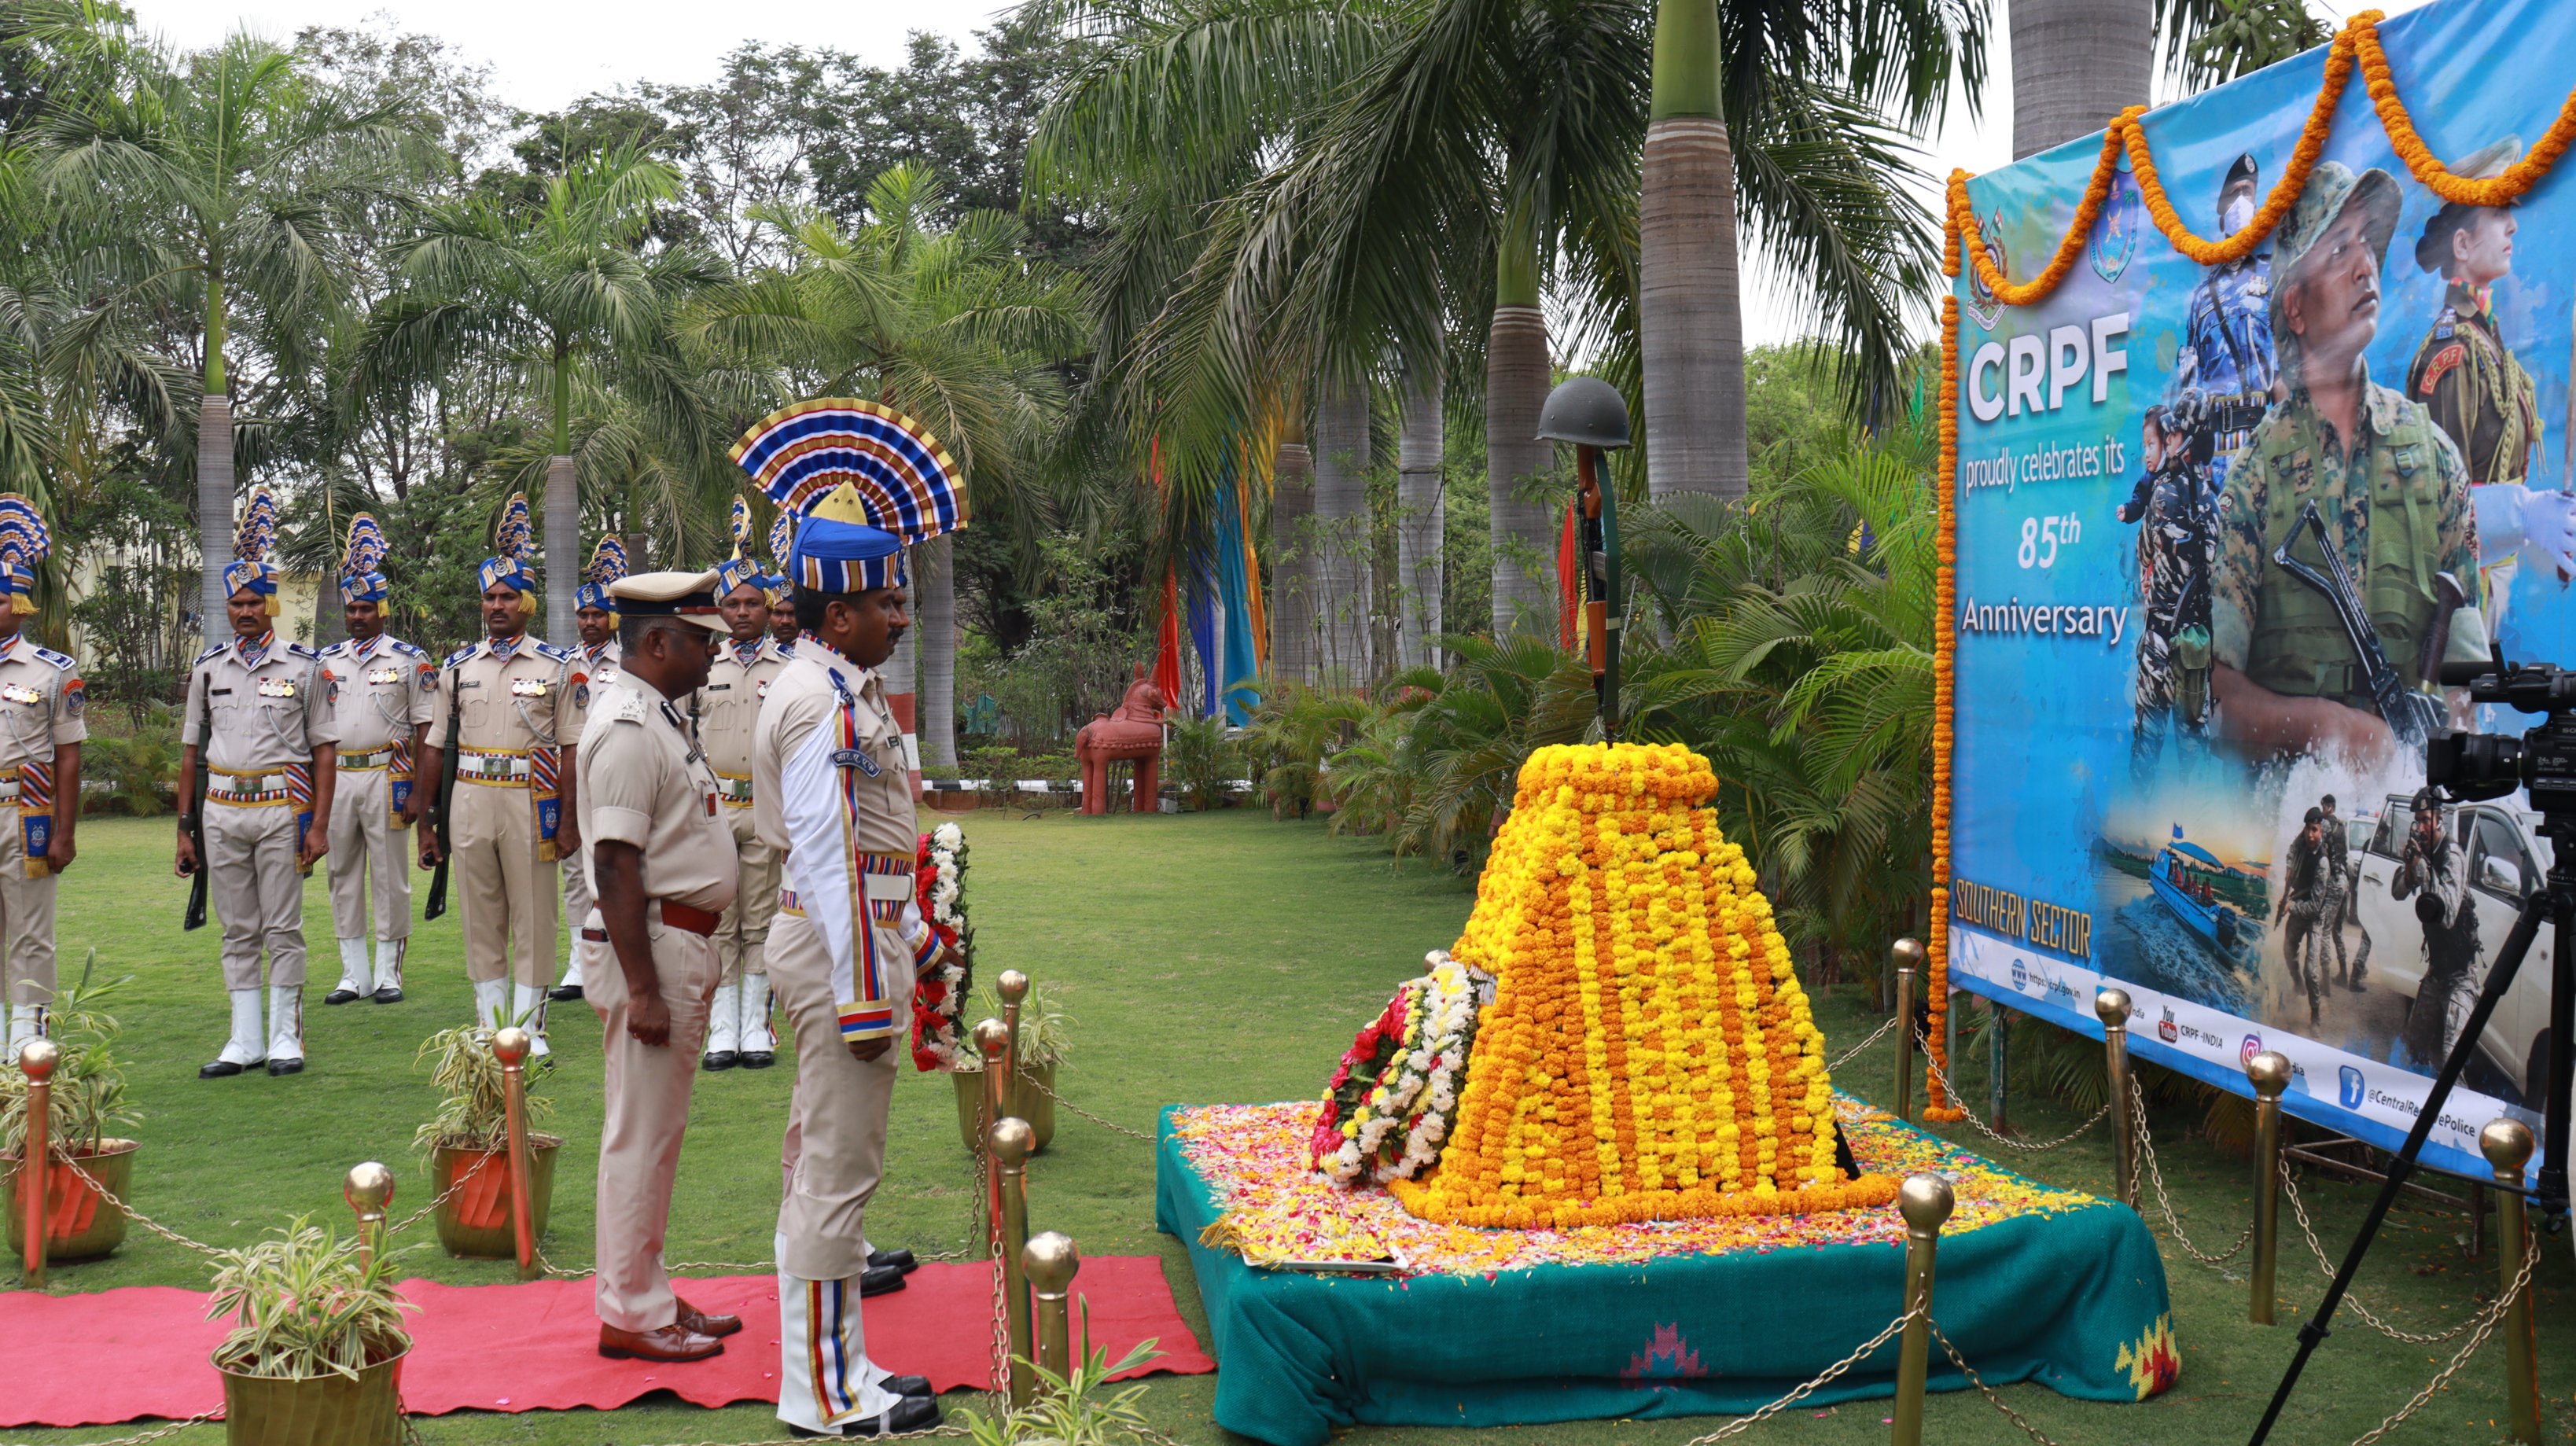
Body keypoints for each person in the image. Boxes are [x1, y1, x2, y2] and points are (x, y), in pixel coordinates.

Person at [753, 473, 959, 1437]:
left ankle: (837, 1371)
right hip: (836, 947)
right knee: (836, 1172)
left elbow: (865, 849)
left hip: (849, 935)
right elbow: (827, 854)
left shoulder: (833, 684)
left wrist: (913, 938)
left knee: (826, 1165)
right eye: (886, 602)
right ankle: (823, 1396)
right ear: (838, 613)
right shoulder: (822, 701)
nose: (900, 617)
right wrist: (867, 994)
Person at [2211, 160, 2483, 764]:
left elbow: (2467, 671)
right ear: (2297, 310)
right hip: (2282, 833)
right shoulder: (2255, 478)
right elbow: (2221, 704)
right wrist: (2334, 730)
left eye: (2366, 244)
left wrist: (2440, 749)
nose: (2367, 265)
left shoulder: (2434, 458)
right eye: (2339, 250)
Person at [576, 568, 742, 1363]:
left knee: (655, 1134)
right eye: (701, 640)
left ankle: (646, 1290)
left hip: (676, 942)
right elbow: (614, 865)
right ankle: (632, 1313)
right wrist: (643, 988)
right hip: (653, 948)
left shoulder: (660, 717)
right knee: (641, 1136)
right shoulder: (630, 726)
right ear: (657, 642)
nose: (713, 654)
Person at [178, 489, 336, 1077]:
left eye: (253, 602)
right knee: (237, 926)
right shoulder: (208, 668)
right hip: (221, 809)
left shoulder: (303, 666)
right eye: (236, 603)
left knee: (283, 925)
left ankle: (284, 1036)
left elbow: (324, 750)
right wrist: (184, 827)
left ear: (270, 605)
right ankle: (242, 1038)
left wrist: (319, 823)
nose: (244, 612)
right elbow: (192, 751)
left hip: (280, 810)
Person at [417, 495, 580, 1059]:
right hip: (470, 797)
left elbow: (571, 750)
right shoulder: (458, 668)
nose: (497, 605)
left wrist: (570, 822)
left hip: (530, 799)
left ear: (528, 603)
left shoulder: (556, 668)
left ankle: (530, 1028)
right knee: (480, 915)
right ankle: (491, 1026)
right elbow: (435, 745)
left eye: (508, 596)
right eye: (490, 596)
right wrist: (426, 823)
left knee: (534, 916)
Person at [2405, 136, 2571, 618]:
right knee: (2454, 695)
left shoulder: (2487, 339)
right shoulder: (2452, 351)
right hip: (2457, 590)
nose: (2513, 226)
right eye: (2499, 213)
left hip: (2491, 575)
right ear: (2462, 244)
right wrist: (2523, 511)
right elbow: (2442, 501)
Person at [316, 515, 432, 1006]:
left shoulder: (409, 660)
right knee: (341, 874)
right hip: (338, 776)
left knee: (389, 877)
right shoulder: (326, 661)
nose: (358, 615)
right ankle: (352, 974)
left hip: (389, 775)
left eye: (367, 608)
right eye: (352, 608)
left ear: (382, 610)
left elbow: (427, 731)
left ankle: (388, 973)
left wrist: (423, 798)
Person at [697, 536, 794, 1072]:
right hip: (713, 808)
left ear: (767, 606)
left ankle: (755, 1022)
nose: (741, 612)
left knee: (762, 917)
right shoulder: (703, 663)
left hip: (766, 807)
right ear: (721, 608)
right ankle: (722, 1024)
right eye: (732, 604)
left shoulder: (789, 668)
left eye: (751, 603)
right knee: (718, 918)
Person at [0, 497, 81, 1054]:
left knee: (30, 932)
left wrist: (65, 831)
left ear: (22, 604)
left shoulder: (52, 671)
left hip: (23, 812)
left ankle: (26, 1046)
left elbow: (68, 755)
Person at [551, 538, 627, 1005]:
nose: (588, 623)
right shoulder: (565, 665)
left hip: (617, 776)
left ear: (613, 619)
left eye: (597, 615)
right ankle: (580, 961)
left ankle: (619, 956)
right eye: (583, 616)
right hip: (574, 778)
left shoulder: (629, 662)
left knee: (616, 868)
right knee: (576, 874)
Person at [2392, 787, 2481, 1068]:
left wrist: (2424, 867)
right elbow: (2397, 892)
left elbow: (2448, 914)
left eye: (2426, 820)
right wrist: (2410, 866)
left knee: (2452, 1057)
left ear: (2439, 819)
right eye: (2416, 821)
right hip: (2437, 973)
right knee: (2412, 1046)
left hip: (2460, 977)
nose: (2420, 827)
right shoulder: (2422, 852)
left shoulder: (2451, 855)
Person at [2273, 807, 2328, 1025]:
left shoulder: (2323, 863)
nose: (2310, 835)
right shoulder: (2302, 840)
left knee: (2311, 971)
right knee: (2288, 950)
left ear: (2321, 831)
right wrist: (2288, 868)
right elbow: (2291, 851)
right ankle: (2297, 983)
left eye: (2315, 830)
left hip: (2314, 913)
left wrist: (2291, 906)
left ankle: (2315, 1012)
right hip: (2297, 901)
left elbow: (2314, 907)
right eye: (2308, 829)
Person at [2314, 793, 2364, 992]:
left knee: (2325, 929)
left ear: (2330, 807)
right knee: (2337, 930)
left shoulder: (2325, 824)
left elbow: (2317, 847)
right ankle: (2343, 974)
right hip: (2344, 882)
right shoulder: (2342, 826)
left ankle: (2326, 982)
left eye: (2324, 806)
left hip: (2334, 881)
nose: (2323, 809)